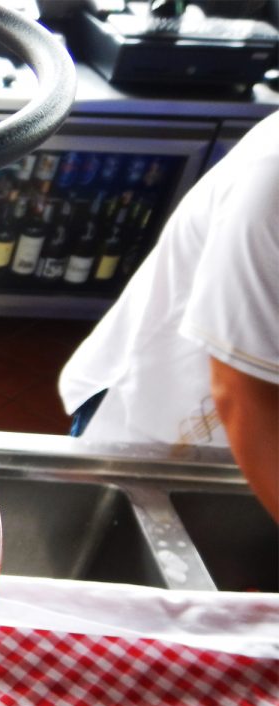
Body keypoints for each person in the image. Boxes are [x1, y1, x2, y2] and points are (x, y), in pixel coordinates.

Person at [58, 111, 279, 522]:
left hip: (238, 455)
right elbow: (244, 397)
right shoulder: (273, 179)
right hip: (156, 426)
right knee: (95, 527)